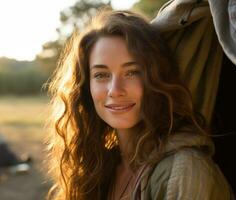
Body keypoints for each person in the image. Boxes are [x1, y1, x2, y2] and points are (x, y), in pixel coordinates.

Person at [46, 9, 233, 200]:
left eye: (132, 72)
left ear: (156, 78)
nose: (115, 90)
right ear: (86, 88)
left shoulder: (185, 170)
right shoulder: (96, 167)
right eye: (101, 75)